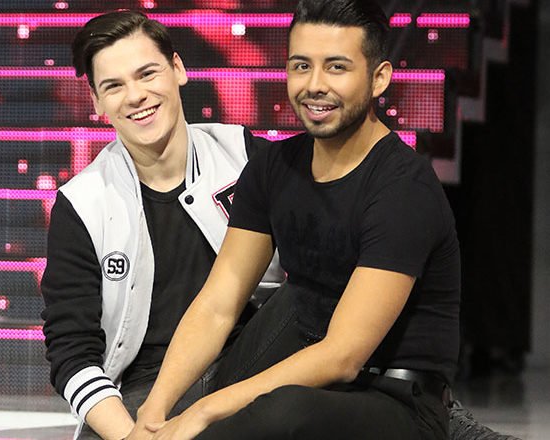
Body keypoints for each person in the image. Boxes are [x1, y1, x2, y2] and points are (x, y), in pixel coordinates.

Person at [127, 1, 473, 439]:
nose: (314, 85)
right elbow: (218, 304)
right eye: (301, 66)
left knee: (275, 413)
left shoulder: (404, 187)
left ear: (379, 78)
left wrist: (204, 411)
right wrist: (155, 410)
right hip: (305, 377)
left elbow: (343, 355)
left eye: (337, 67)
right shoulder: (274, 167)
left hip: (396, 402)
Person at [39, 10, 284, 440]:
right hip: (141, 393)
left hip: (251, 368)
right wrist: (131, 436)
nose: (136, 96)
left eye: (147, 74)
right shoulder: (83, 204)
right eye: (114, 86)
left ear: (178, 69)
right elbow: (72, 353)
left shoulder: (246, 158)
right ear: (96, 101)